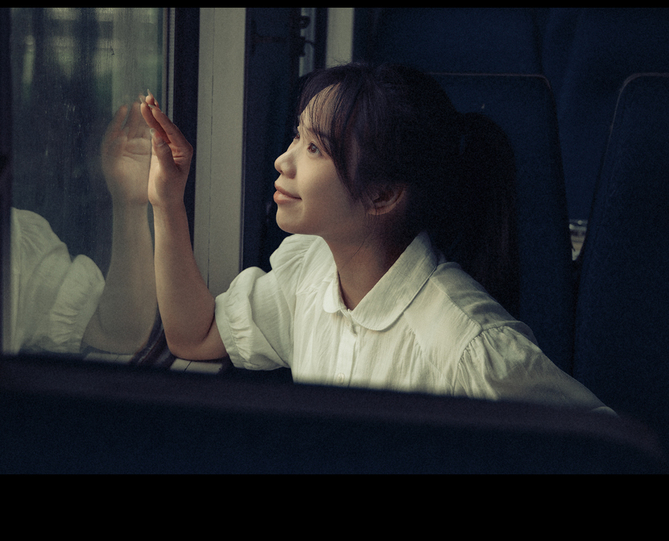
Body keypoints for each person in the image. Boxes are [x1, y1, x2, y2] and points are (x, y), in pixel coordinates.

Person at [141, 62, 610, 413]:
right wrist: (167, 202)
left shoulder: (470, 349)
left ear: (381, 196)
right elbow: (195, 336)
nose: (283, 161)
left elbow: (606, 449)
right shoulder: (310, 274)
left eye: (314, 148)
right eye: (296, 137)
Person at [8, 101, 156, 356]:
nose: (51, 142)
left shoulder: (13, 241)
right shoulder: (34, 223)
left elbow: (121, 333)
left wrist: (130, 202)